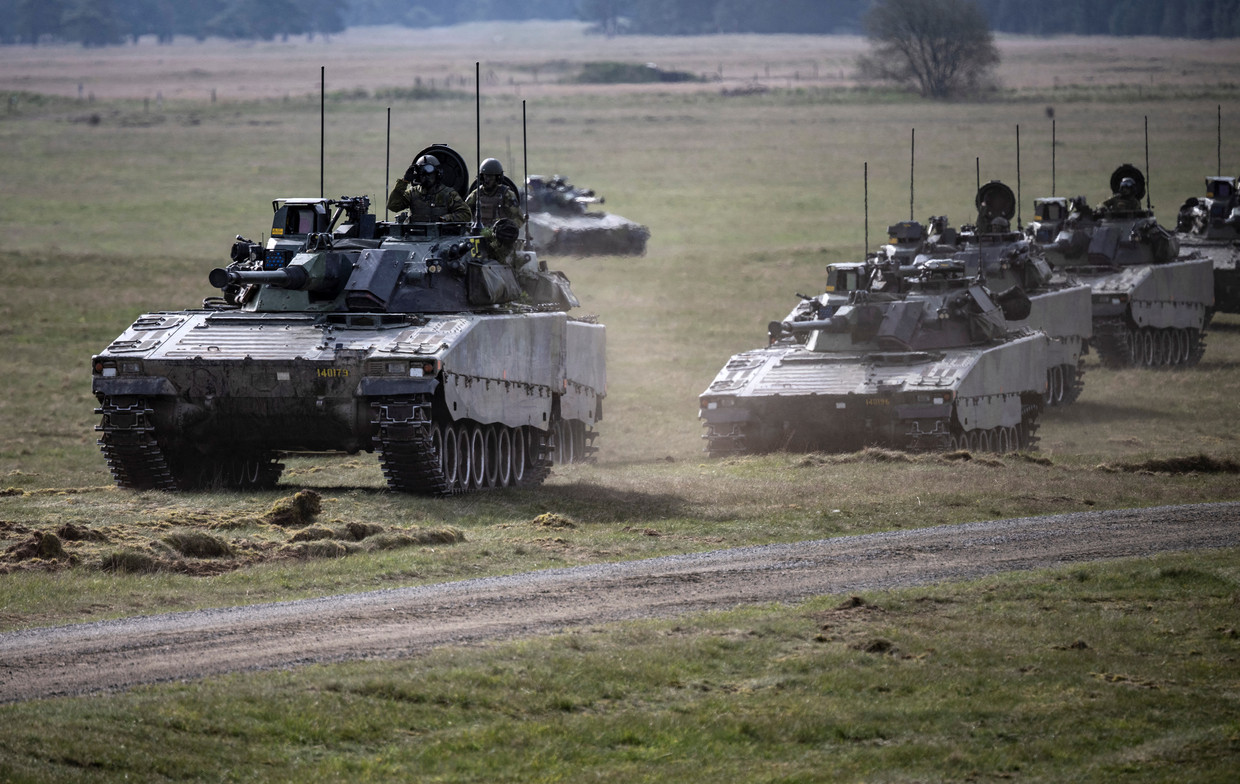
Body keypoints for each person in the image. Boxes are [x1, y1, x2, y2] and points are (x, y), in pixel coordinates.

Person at [386, 154, 471, 222]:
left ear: (437, 174)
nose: (426, 178)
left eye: (429, 174)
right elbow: (393, 206)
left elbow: (466, 214)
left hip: (441, 237)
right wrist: (404, 182)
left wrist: (446, 218)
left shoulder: (448, 194)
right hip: (415, 237)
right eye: (422, 175)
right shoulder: (412, 193)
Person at [465, 158, 524, 227]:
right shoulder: (476, 194)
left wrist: (509, 228)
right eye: (485, 176)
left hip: (500, 235)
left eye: (491, 177)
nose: (487, 180)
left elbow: (519, 218)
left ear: (497, 178)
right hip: (478, 233)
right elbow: (464, 212)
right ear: (481, 177)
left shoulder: (507, 195)